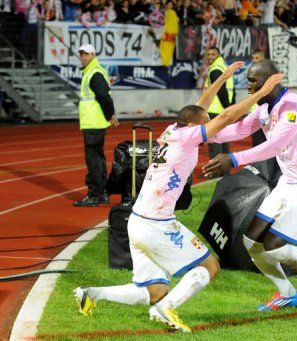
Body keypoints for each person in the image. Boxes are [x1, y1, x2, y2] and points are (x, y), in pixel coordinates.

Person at [73, 61, 284, 332]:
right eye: (206, 122)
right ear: (196, 125)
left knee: (154, 289)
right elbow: (226, 117)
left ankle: (91, 293)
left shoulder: (174, 128)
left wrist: (223, 78)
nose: (210, 124)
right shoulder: (189, 136)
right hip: (156, 223)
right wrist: (261, 92)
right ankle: (165, 310)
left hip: (137, 221)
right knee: (208, 266)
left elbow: (200, 106)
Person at [203, 60, 297, 312]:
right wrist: (206, 134)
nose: (248, 86)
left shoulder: (292, 107)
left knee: (274, 245)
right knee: (251, 241)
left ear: (271, 80)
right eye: (248, 81)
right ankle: (287, 293)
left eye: (253, 81)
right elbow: (240, 128)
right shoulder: (263, 106)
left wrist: (233, 159)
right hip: (289, 182)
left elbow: (275, 145)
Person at [74, 44, 119, 207]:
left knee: (93, 159)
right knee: (98, 158)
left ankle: (95, 194)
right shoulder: (92, 71)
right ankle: (102, 193)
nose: (82, 57)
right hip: (94, 122)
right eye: (81, 54)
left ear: (92, 55)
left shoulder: (94, 73)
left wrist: (110, 115)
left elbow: (104, 97)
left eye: (85, 54)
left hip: (94, 122)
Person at [205, 46, 235, 165]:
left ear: (218, 55)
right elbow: (232, 89)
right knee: (225, 141)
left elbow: (220, 90)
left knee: (214, 142)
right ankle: (225, 170)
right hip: (224, 110)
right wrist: (230, 108)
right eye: (208, 54)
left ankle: (216, 171)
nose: (209, 57)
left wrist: (227, 107)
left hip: (214, 111)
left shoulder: (215, 70)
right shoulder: (224, 66)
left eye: (212, 54)